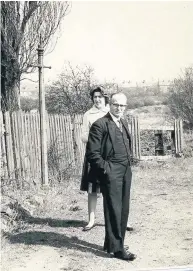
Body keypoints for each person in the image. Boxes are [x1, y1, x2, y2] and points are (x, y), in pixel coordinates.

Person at [85, 92, 136, 261]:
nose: (119, 108)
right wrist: (106, 169)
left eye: (122, 105)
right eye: (116, 105)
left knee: (123, 209)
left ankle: (114, 244)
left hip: (125, 171)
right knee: (114, 209)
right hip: (111, 172)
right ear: (110, 105)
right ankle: (118, 249)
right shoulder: (100, 125)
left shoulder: (123, 122)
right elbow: (92, 153)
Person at [80, 87, 109, 231]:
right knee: (92, 189)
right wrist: (95, 138)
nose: (97, 99)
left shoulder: (111, 113)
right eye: (95, 97)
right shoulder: (88, 115)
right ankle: (91, 220)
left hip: (109, 156)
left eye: (100, 97)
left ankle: (118, 219)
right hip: (93, 155)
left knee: (113, 188)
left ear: (106, 98)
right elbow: (83, 136)